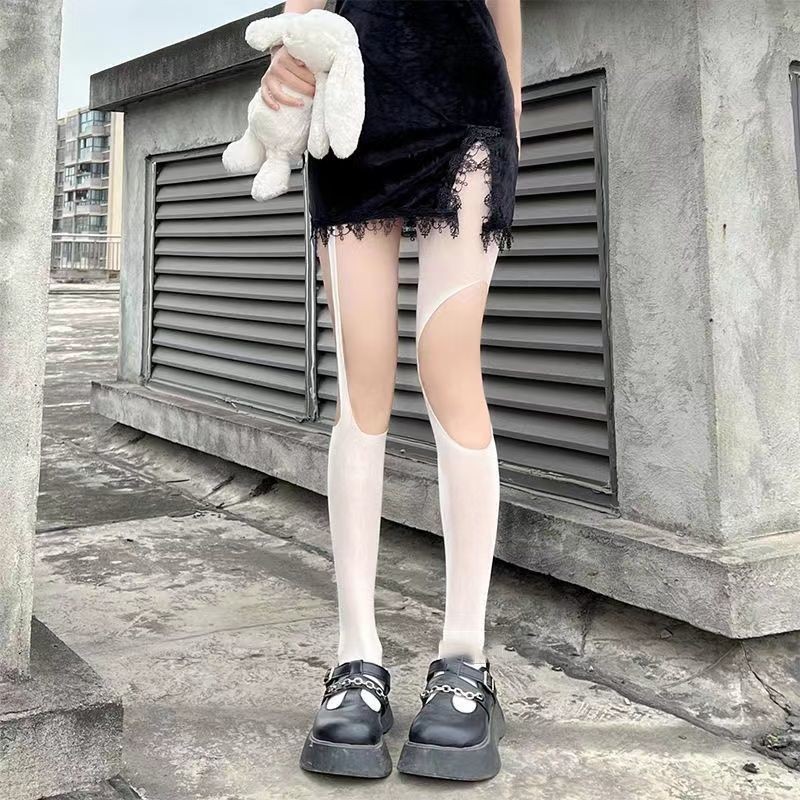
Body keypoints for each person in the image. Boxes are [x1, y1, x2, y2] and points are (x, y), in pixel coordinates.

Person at [260, 0, 521, 782]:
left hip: (467, 112)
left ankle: (465, 661)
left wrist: (513, 129)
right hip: (352, 114)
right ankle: (356, 659)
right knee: (363, 382)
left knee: (448, 368)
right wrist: (285, 60)